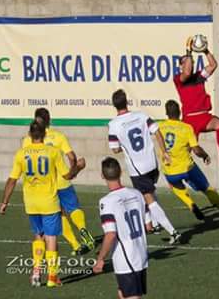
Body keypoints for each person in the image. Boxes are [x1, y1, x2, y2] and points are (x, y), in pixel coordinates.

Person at [0, 120, 82, 288]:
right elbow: (67, 175)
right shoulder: (53, 152)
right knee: (51, 237)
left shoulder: (21, 153)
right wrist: (78, 167)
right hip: (49, 202)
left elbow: (12, 180)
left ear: (30, 135)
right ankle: (52, 277)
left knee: (38, 236)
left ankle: (36, 273)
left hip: (31, 203)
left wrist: (4, 202)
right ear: (44, 134)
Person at [108, 89, 181, 245]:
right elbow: (157, 132)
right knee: (148, 194)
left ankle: (173, 231)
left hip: (138, 168)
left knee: (149, 199)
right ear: (126, 102)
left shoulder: (114, 125)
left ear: (114, 105)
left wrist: (124, 147)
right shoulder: (141, 115)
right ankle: (153, 224)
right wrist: (164, 152)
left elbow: (114, 149)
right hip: (152, 164)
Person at [22, 108, 94, 256]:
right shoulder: (58, 136)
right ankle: (83, 230)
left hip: (46, 186)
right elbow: (72, 156)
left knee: (59, 215)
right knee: (73, 208)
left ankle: (75, 245)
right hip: (63, 180)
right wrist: (74, 170)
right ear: (49, 120)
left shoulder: (28, 139)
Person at [159, 100, 219, 223]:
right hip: (187, 168)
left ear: (166, 113)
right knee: (208, 189)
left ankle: (190, 204)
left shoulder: (160, 127)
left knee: (175, 186)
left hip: (170, 170)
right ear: (180, 112)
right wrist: (205, 155)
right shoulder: (186, 128)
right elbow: (196, 150)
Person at [173, 36, 219, 165]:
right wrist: (189, 52)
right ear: (181, 66)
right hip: (189, 119)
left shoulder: (199, 77)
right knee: (191, 149)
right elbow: (188, 72)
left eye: (191, 61)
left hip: (203, 116)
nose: (190, 62)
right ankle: (178, 165)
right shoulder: (180, 79)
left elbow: (213, 65)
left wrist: (205, 50)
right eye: (186, 61)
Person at [93, 157, 149, 299]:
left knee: (131, 296)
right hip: (140, 253)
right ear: (121, 172)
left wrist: (100, 259)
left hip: (125, 258)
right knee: (123, 293)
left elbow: (110, 234)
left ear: (102, 176)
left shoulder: (106, 202)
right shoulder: (137, 194)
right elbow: (148, 225)